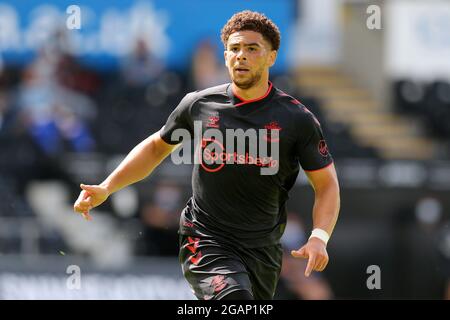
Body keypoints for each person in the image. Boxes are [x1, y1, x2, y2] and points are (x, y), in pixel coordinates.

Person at [74, 10, 340, 300]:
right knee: (233, 300)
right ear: (225, 56)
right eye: (234, 49)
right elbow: (155, 148)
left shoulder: (297, 119)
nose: (241, 56)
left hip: (263, 249)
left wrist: (319, 237)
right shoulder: (200, 104)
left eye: (252, 49)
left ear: (272, 57)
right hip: (206, 239)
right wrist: (107, 187)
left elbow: (326, 185)